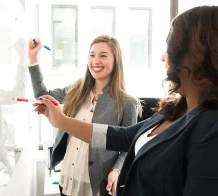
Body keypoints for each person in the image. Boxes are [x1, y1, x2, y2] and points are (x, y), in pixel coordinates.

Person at [34, 6, 218, 196]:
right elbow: (123, 136)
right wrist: (61, 122)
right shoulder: (178, 108)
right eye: (92, 55)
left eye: (170, 47)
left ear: (198, 54)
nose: (163, 57)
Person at [28, 35, 140, 196]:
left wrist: (116, 170)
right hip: (67, 180)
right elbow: (42, 96)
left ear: (116, 60)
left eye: (103, 55)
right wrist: (33, 58)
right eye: (92, 55)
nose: (95, 61)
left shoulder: (127, 103)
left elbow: (128, 147)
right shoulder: (77, 89)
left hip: (96, 187)